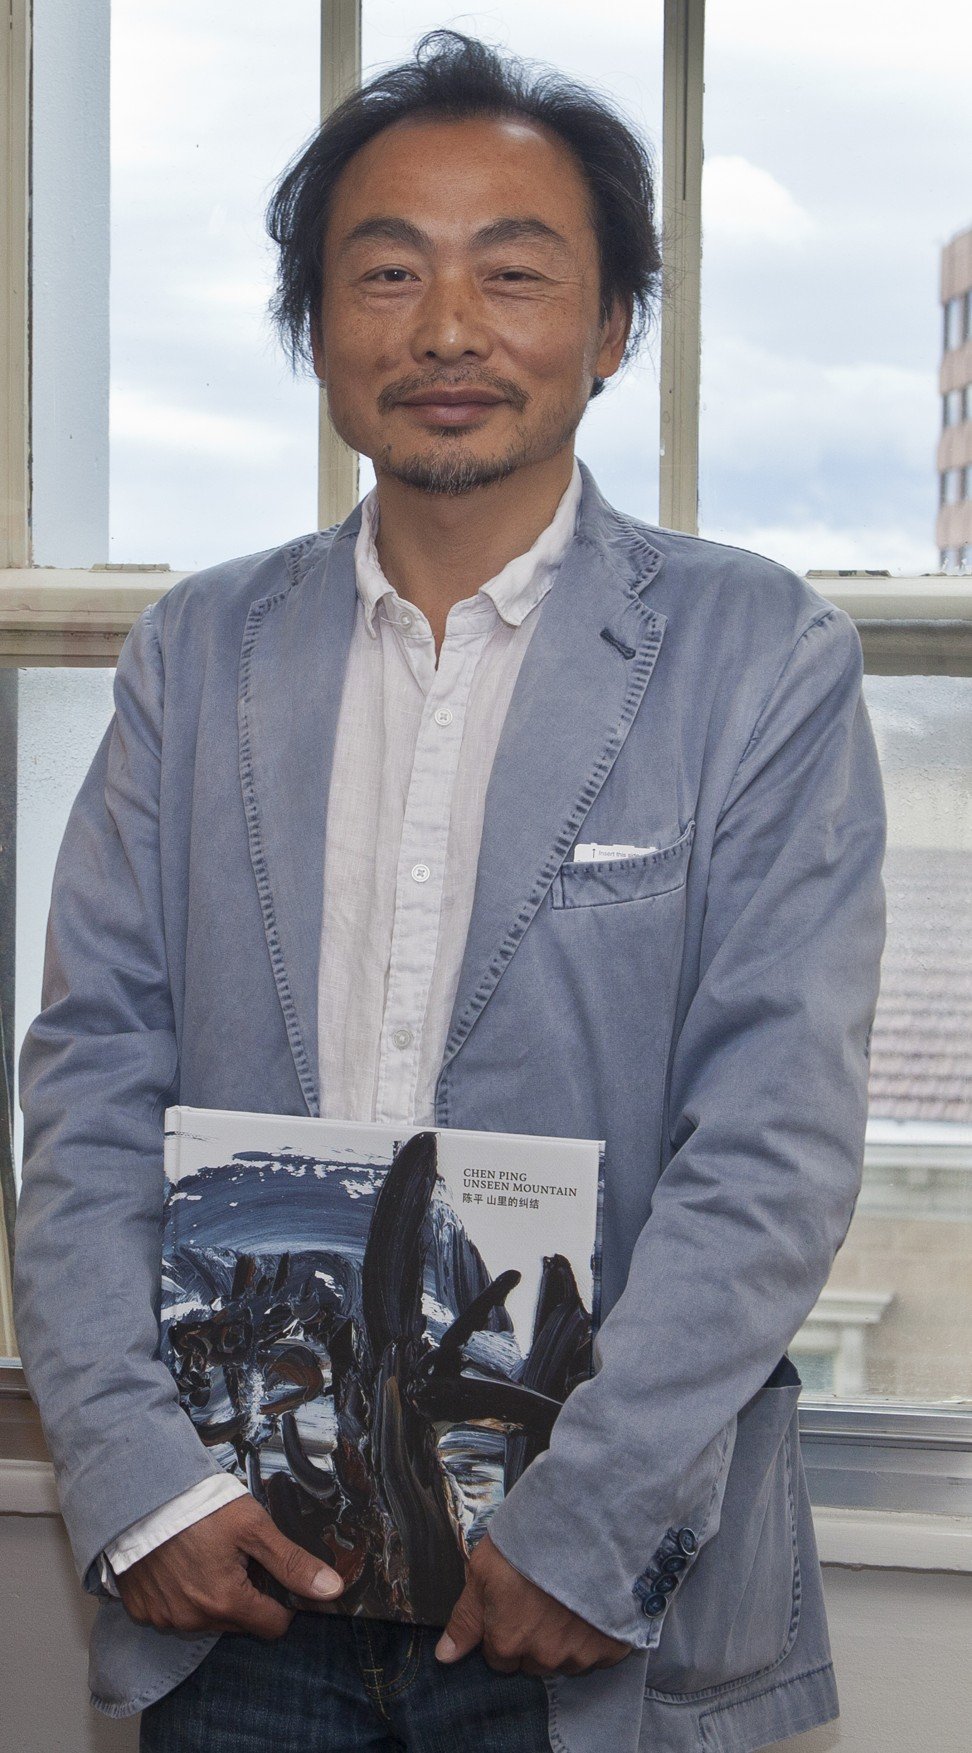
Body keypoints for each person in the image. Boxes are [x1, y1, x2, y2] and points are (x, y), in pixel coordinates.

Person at [13, 29, 886, 1753]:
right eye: (387, 270)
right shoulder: (196, 655)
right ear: (317, 327)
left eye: (514, 271)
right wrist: (134, 1477)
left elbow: (772, 1146)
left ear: (614, 326)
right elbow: (89, 1085)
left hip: (585, 1608)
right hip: (240, 1589)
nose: (446, 329)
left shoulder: (759, 658)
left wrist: (590, 1525)